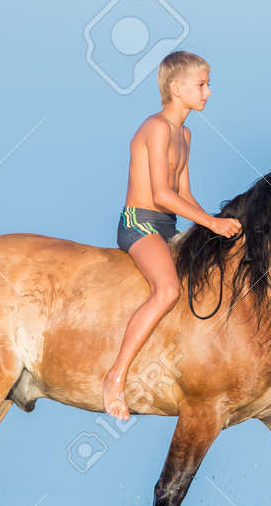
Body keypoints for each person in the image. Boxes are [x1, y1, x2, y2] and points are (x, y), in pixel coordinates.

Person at [102, 50, 242, 421]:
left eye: (208, 84)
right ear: (177, 88)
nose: (208, 92)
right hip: (141, 224)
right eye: (202, 84)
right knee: (168, 290)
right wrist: (211, 224)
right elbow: (162, 194)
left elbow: (185, 194)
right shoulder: (157, 127)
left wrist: (213, 225)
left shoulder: (186, 133)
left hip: (168, 227)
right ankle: (114, 378)